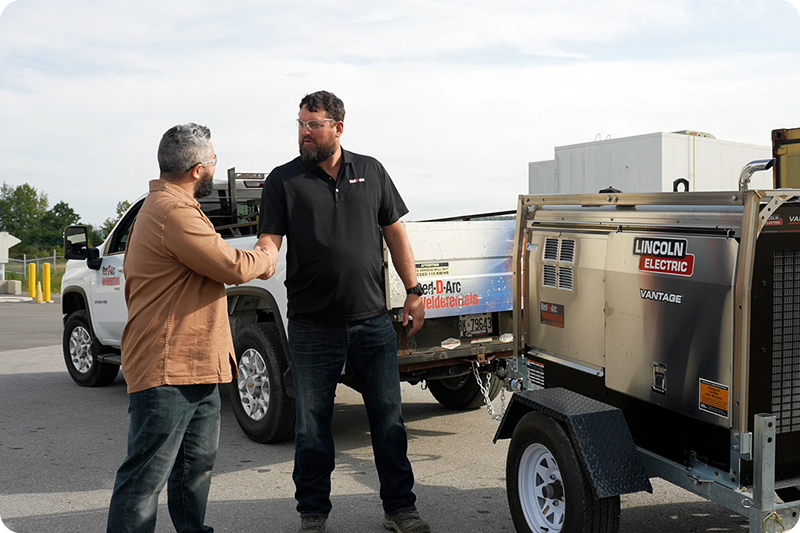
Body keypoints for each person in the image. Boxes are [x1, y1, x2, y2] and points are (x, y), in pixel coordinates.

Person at [256, 91, 430, 533]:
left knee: (388, 420)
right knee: (312, 427)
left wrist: (414, 290)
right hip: (313, 325)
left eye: (313, 124)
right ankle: (312, 515)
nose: (304, 132)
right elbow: (269, 243)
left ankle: (400, 509)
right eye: (300, 123)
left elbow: (395, 234)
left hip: (372, 321)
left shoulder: (370, 171)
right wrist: (252, 262)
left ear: (338, 127)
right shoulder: (283, 180)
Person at [107, 123, 275, 533]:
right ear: (199, 170)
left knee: (193, 470)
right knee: (145, 480)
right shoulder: (173, 212)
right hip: (169, 369)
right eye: (214, 161)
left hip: (197, 365)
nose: (215, 167)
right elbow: (230, 265)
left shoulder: (168, 206)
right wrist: (267, 253)